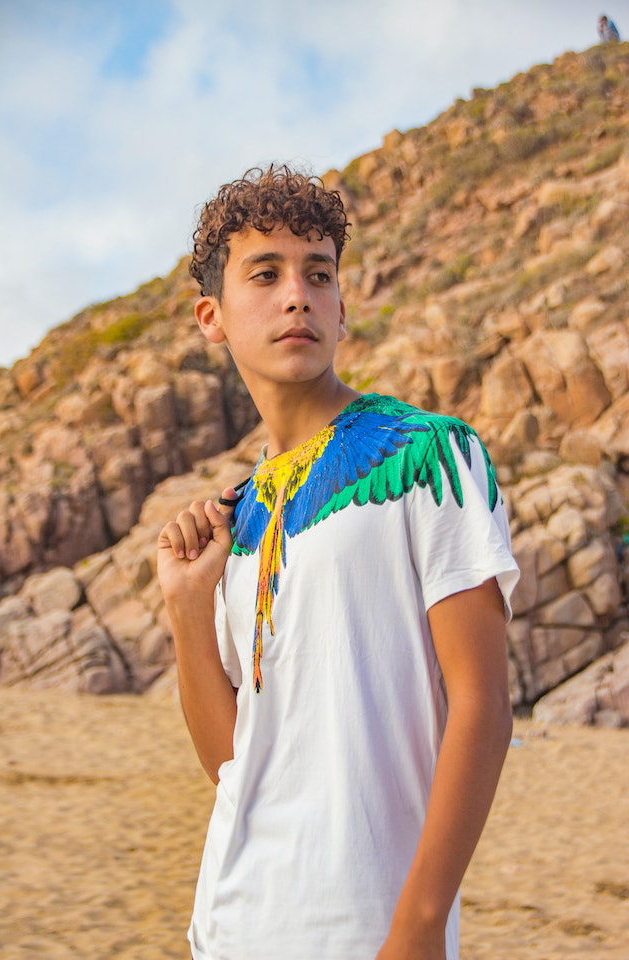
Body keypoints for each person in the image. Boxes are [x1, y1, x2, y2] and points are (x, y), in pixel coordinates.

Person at [157, 165, 520, 960]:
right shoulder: (239, 515)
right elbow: (234, 765)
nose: (298, 295)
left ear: (343, 309)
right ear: (210, 317)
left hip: (369, 931)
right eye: (266, 274)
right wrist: (188, 609)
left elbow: (484, 703)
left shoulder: (433, 452)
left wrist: (420, 928)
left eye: (318, 274)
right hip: (228, 927)